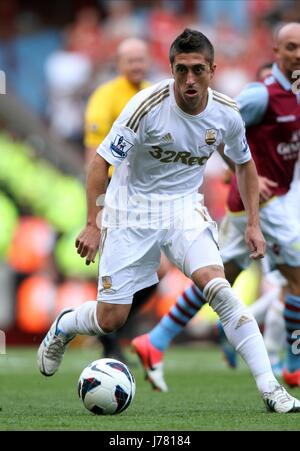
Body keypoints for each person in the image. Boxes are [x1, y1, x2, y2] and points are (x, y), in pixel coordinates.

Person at [37, 28, 300, 413]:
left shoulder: (226, 111)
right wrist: (93, 222)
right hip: (131, 211)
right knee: (111, 319)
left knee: (219, 288)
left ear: (213, 69)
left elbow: (244, 165)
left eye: (198, 70)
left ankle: (271, 390)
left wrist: (253, 225)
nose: (189, 80)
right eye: (181, 71)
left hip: (182, 209)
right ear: (171, 69)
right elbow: (100, 163)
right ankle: (65, 324)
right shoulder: (147, 106)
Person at [132, 23, 300, 391]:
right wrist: (236, 175)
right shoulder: (261, 95)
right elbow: (223, 129)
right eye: (291, 47)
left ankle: (156, 340)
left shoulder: (296, 95)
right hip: (261, 206)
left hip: (270, 203)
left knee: (220, 278)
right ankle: (293, 365)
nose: (298, 54)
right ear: (276, 52)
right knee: (296, 279)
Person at [84, 37, 162, 361]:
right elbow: (94, 154)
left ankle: (114, 329)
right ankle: (109, 337)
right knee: (114, 273)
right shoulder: (105, 96)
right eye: (130, 60)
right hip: (115, 196)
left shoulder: (155, 95)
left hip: (147, 197)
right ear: (118, 63)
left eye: (141, 59)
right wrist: (96, 209)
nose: (136, 65)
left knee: (154, 277)